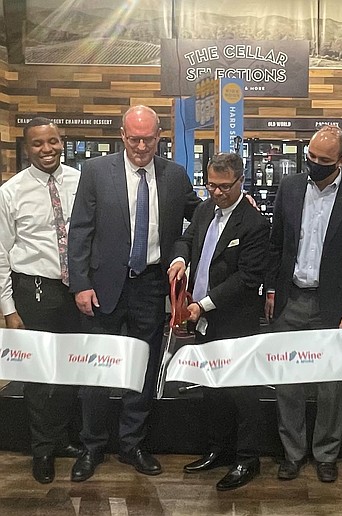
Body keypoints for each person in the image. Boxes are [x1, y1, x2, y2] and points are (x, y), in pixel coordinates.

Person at [67, 105, 201, 482]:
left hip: (151, 285)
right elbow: (80, 231)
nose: (141, 146)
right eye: (134, 138)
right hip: (102, 287)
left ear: (160, 137)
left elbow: (199, 216)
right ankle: (91, 447)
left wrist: (238, 203)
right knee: (97, 371)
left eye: (149, 138)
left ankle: (131, 445)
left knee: (141, 370)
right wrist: (80, 283)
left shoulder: (175, 176)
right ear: (122, 136)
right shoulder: (95, 172)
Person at [265, 124, 342, 483]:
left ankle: (326, 453)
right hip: (291, 298)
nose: (314, 164)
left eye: (324, 160)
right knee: (288, 381)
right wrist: (270, 290)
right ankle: (292, 453)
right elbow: (276, 244)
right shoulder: (290, 187)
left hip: (333, 306)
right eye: (310, 157)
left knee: (331, 385)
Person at [168, 153, 270, 491]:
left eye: (225, 187)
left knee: (242, 391)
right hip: (202, 320)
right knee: (211, 387)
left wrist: (203, 306)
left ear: (241, 181)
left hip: (233, 319)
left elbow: (248, 277)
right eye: (211, 185)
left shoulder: (254, 224)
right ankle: (218, 449)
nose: (217, 193)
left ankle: (246, 457)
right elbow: (187, 238)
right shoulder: (202, 210)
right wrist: (181, 258)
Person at [0, 117, 83, 484]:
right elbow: (1, 252)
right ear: (26, 148)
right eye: (38, 144)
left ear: (61, 141)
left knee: (69, 369)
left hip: (76, 291)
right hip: (33, 291)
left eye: (52, 141)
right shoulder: (11, 192)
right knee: (38, 376)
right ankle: (42, 449)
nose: (47, 149)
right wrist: (8, 308)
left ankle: (62, 439)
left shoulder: (81, 182)